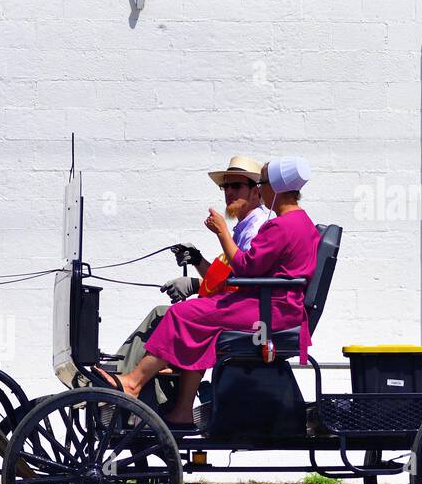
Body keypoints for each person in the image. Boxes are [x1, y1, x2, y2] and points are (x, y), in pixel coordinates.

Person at [111, 157, 320, 425]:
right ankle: (184, 410)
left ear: (275, 188)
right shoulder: (302, 223)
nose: (261, 189)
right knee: (199, 320)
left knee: (183, 313)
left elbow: (245, 268)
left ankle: (133, 381)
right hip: (275, 306)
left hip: (270, 311)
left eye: (262, 183)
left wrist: (222, 232)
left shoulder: (280, 226)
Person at [110, 156, 273, 394]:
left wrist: (197, 280)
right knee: (160, 313)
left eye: (236, 186)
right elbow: (224, 278)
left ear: (256, 192)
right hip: (234, 304)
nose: (229, 192)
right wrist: (197, 260)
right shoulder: (244, 227)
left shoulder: (256, 227)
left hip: (247, 312)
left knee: (176, 315)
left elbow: (242, 278)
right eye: (225, 186)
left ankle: (130, 380)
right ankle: (123, 370)